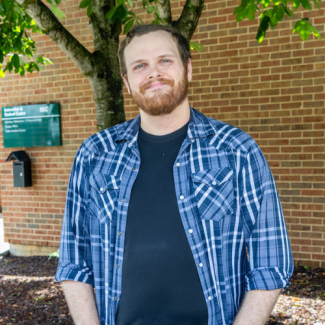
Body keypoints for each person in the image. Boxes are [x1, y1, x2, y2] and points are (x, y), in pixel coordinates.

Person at [55, 24, 294, 325]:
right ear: (127, 82)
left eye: (165, 60)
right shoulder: (95, 154)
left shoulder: (237, 151)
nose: (153, 73)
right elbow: (74, 260)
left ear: (188, 68)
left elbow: (270, 261)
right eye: (140, 66)